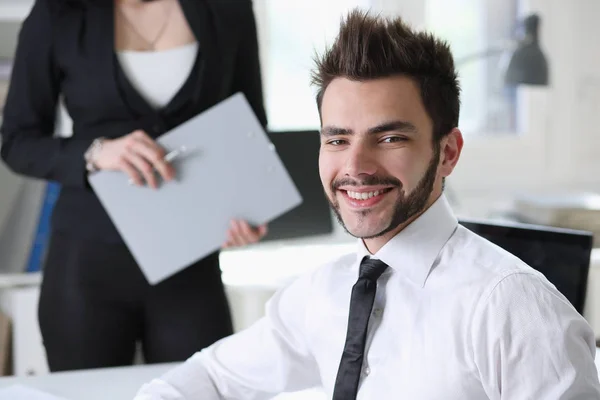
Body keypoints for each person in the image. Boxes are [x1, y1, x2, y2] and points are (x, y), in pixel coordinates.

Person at [132, 8, 600, 400]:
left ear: (448, 152)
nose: (355, 165)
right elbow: (211, 378)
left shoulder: (512, 307)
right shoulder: (323, 292)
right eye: (337, 139)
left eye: (390, 137)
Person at [0, 0, 268, 372]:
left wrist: (245, 209)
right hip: (86, 263)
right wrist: (95, 153)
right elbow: (16, 142)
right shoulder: (57, 11)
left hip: (190, 261)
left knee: (203, 390)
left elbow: (249, 129)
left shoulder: (228, 8)